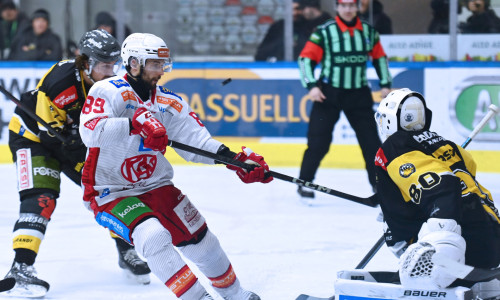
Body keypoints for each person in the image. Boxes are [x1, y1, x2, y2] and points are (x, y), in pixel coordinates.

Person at [79, 32, 271, 300]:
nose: (161, 70)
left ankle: (234, 293)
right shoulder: (107, 90)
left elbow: (196, 140)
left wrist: (235, 160)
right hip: (111, 190)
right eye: (155, 64)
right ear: (134, 63)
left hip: (157, 185)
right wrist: (134, 124)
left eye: (162, 64)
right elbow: (90, 132)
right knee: (153, 235)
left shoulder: (169, 101)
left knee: (202, 241)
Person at [5, 29, 151, 298]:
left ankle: (125, 251)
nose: (111, 71)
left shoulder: (112, 86)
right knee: (41, 197)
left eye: (114, 64)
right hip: (32, 139)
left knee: (110, 190)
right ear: (86, 63)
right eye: (105, 65)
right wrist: (72, 142)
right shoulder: (60, 81)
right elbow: (49, 130)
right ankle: (20, 269)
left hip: (71, 143)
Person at [374, 88, 500, 294]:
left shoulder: (393, 147)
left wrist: (442, 240)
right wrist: (397, 196)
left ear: (389, 120)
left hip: (459, 251)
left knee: (414, 249)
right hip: (491, 241)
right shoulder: (448, 145)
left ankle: (437, 268)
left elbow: (442, 185)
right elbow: (466, 171)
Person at [296, 0, 391, 201]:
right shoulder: (324, 31)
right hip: (328, 94)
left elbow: (380, 58)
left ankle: (380, 187)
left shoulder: (368, 32)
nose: (348, 9)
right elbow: (305, 59)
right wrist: (311, 85)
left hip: (358, 95)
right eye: (343, 5)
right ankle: (304, 182)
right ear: (337, 7)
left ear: (357, 7)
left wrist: (385, 83)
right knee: (318, 142)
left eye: (351, 5)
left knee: (371, 144)